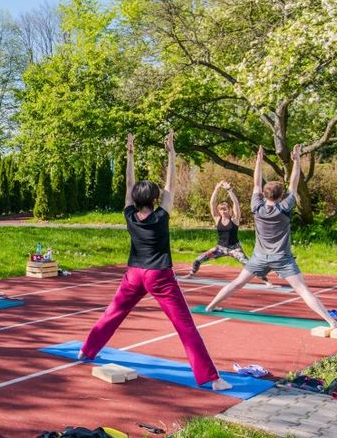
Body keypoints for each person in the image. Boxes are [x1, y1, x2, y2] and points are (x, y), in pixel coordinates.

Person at [79, 133, 231, 391]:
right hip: (159, 275)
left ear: (135, 200)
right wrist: (171, 153)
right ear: (154, 199)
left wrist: (130, 155)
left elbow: (129, 184)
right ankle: (212, 379)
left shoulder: (129, 214)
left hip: (134, 274)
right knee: (184, 325)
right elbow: (170, 186)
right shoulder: (161, 215)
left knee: (113, 313)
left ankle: (86, 351)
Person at [205, 145, 337, 328]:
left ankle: (211, 306)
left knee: (237, 283)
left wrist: (259, 160)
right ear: (281, 196)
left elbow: (256, 184)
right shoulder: (284, 208)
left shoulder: (256, 206)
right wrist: (297, 161)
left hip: (259, 257)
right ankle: (331, 322)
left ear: (264, 195)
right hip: (282, 258)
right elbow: (294, 184)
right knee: (302, 289)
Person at [185, 180, 271, 285]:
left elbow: (236, 203)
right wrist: (216, 189)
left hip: (234, 249)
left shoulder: (235, 219)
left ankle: (266, 281)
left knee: (248, 264)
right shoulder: (217, 219)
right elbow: (212, 203)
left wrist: (229, 190)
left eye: (225, 209)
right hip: (220, 248)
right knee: (198, 260)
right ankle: (191, 274)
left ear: (229, 210)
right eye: (221, 209)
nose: (223, 211)